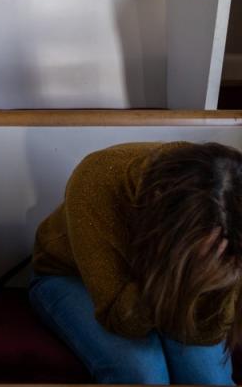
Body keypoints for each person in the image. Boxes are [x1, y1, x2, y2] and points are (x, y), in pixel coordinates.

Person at [30, 142, 242, 385]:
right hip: (68, 275)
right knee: (143, 375)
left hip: (179, 275)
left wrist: (217, 277)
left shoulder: (231, 201)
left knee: (209, 381)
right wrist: (175, 275)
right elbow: (121, 320)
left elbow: (208, 333)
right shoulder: (96, 179)